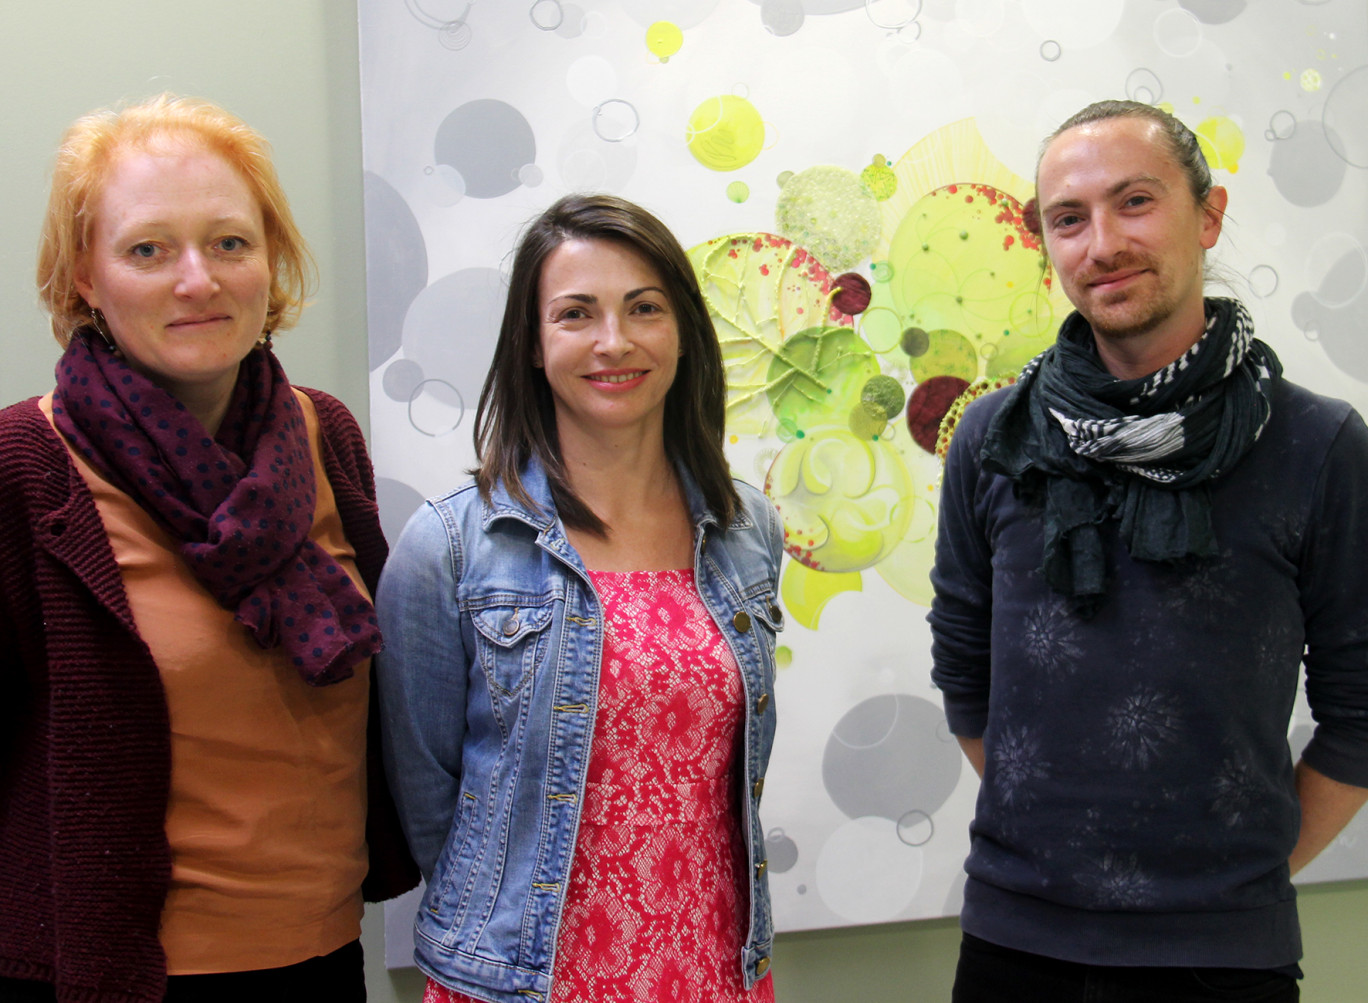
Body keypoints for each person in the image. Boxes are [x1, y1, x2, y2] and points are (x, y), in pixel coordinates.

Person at [928, 99, 1368, 1002]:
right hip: (1015, 945)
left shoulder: (1316, 445)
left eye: (1135, 201)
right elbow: (966, 676)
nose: (1102, 243)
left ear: (1208, 216)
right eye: (1069, 218)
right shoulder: (992, 438)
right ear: (1046, 242)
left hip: (1224, 958)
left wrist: (1235, 868)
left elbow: (1363, 711)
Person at [0, 94, 416, 1003]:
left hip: (321, 952)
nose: (199, 279)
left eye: (230, 242)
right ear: (84, 276)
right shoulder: (24, 466)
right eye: (149, 249)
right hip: (119, 977)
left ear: (271, 261)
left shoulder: (325, 435)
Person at [377, 193, 784, 1003]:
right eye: (575, 314)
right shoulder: (451, 547)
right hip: (523, 982)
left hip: (710, 966)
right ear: (532, 343)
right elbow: (429, 804)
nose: (614, 341)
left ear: (683, 331)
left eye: (644, 308)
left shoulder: (746, 529)